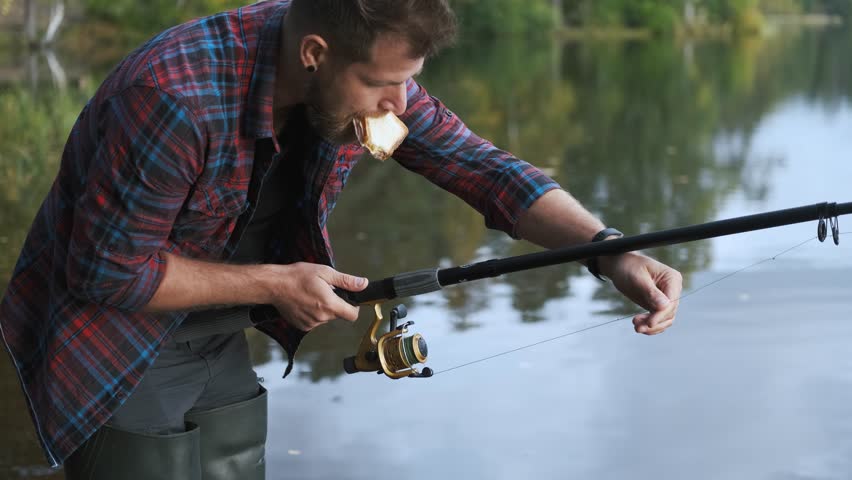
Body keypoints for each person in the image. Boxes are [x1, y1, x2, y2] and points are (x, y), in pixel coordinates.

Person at [0, 0, 682, 478]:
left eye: (407, 83)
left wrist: (609, 251)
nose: (398, 105)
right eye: (383, 85)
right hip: (113, 342)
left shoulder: (373, 84)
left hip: (214, 331)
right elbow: (106, 272)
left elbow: (486, 171)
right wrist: (274, 284)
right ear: (315, 54)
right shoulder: (173, 99)